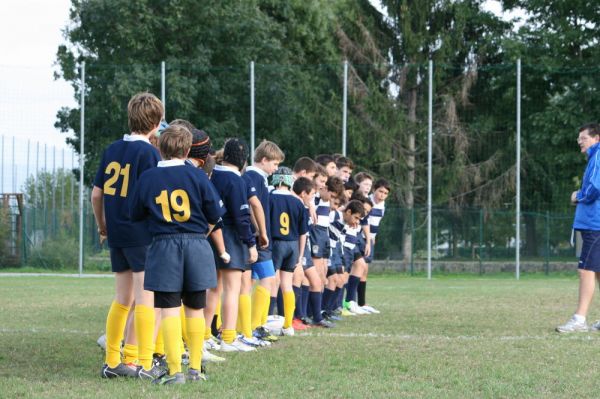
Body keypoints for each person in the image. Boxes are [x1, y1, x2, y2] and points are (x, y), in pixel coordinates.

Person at [129, 125, 225, 384]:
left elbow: (135, 214)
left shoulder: (148, 178)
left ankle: (174, 371)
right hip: (196, 245)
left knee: (169, 309)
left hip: (164, 246)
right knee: (195, 308)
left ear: (159, 147)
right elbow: (215, 216)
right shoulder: (198, 177)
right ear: (187, 150)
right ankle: (194, 369)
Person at [92, 92, 164, 379]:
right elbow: (154, 196)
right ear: (156, 122)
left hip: (117, 233)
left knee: (122, 299)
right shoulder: (149, 153)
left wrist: (102, 225)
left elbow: (97, 194)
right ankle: (139, 361)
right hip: (141, 233)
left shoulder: (112, 149)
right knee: (147, 298)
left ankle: (113, 361)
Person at [209, 139, 258, 351]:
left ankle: (204, 335)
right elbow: (241, 217)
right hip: (230, 236)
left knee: (213, 288)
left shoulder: (213, 174)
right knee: (232, 289)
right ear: (244, 160)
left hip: (212, 236)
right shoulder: (236, 180)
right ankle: (228, 336)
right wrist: (251, 243)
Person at [557, 123, 600, 333]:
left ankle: (579, 319)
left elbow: (596, 187)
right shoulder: (594, 157)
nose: (579, 142)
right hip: (594, 223)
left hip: (595, 224)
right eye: (579, 138)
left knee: (586, 269)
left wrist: (578, 196)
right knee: (598, 272)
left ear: (596, 138)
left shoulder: (598, 156)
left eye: (583, 138)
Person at [242, 140, 285, 344]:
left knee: (259, 280)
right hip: (258, 238)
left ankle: (254, 326)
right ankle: (252, 327)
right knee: (266, 279)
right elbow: (252, 206)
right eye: (275, 164)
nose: (276, 169)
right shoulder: (253, 176)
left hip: (259, 237)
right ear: (264, 159)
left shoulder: (259, 178)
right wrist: (260, 230)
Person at [270, 167, 310, 335]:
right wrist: (300, 255)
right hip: (292, 245)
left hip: (276, 244)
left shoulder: (269, 199)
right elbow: (303, 233)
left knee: (272, 282)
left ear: (277, 180)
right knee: (287, 284)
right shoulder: (298, 203)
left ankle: (265, 319)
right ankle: (288, 324)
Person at [359, 178, 391, 314]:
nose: (382, 195)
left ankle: (361, 303)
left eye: (385, 193)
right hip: (360, 239)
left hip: (370, 240)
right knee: (358, 269)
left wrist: (373, 238)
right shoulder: (367, 202)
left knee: (364, 271)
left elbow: (375, 224)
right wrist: (366, 238)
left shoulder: (382, 205)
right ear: (374, 190)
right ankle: (352, 302)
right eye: (380, 191)